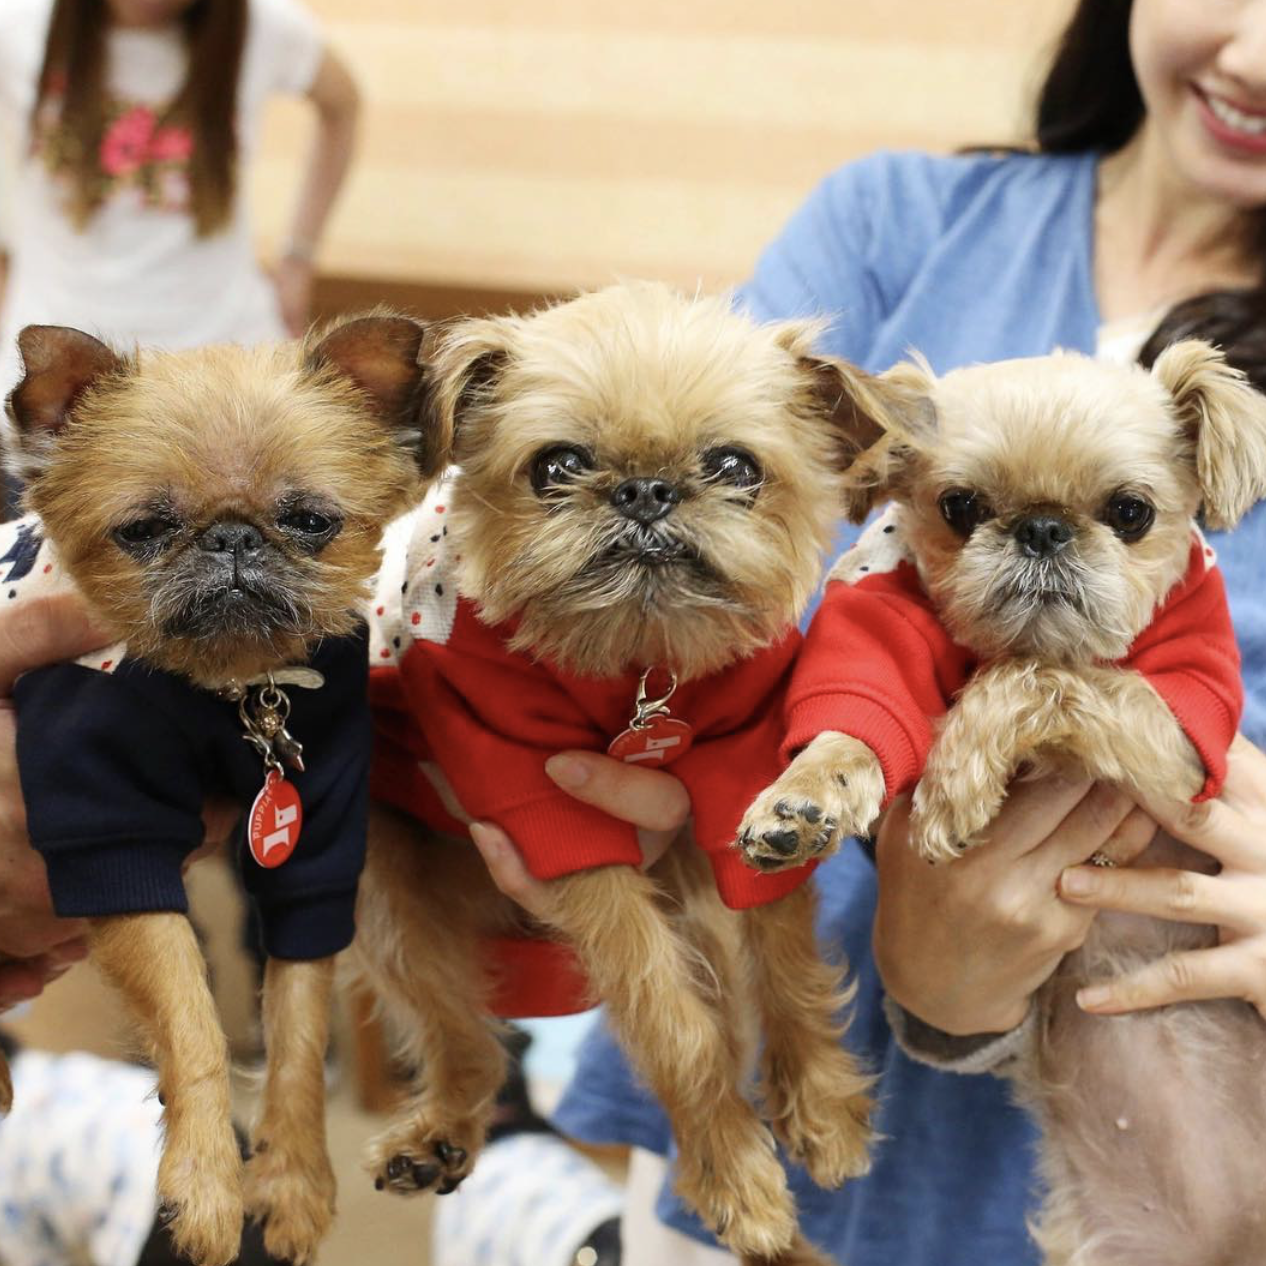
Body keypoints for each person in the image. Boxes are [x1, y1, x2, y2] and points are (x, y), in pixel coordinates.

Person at [467, 0, 1266, 1262]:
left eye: (1123, 512)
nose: (1255, 53)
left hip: (1145, 1165)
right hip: (747, 1112)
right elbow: (651, 580)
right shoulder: (897, 223)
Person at [0, 0, 359, 407]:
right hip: (61, 362)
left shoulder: (263, 26)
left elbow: (342, 104)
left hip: (228, 355)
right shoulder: (18, 25)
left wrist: (299, 257)